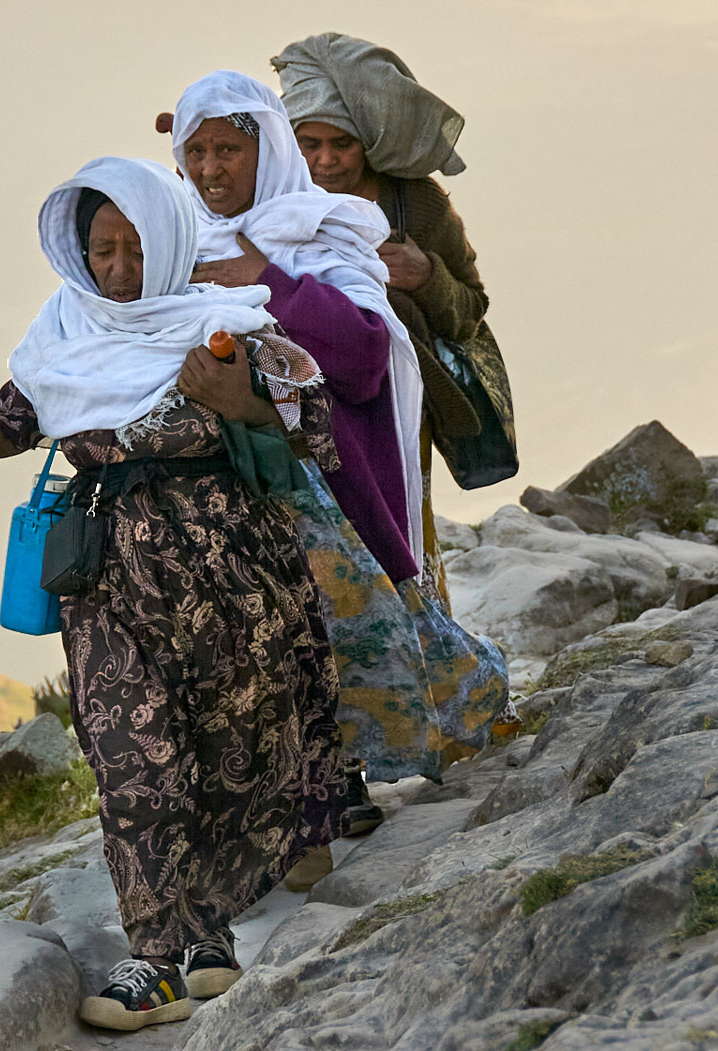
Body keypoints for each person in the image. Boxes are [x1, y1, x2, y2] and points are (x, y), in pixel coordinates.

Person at [0, 157, 347, 1032]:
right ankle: (153, 954)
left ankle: (209, 931)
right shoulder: (63, 335)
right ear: (79, 253)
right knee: (133, 762)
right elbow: (3, 428)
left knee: (233, 749)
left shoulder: (230, 329)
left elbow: (318, 424)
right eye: (103, 249)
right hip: (109, 578)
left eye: (136, 247)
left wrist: (242, 400)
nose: (121, 269)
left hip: (234, 573)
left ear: (168, 244)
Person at [166, 72, 509, 860]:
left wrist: (270, 281)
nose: (212, 168)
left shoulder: (326, 229)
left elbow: (359, 356)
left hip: (326, 476)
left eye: (229, 149)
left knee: (333, 624)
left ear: (267, 150)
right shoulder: (169, 237)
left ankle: (341, 774)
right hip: (220, 487)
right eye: (197, 150)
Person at [272, 32, 490, 612]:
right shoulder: (273, 201)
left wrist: (427, 276)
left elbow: (471, 307)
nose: (325, 160)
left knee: (397, 532)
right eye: (309, 143)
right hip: (296, 411)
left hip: (394, 409)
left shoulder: (416, 206)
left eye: (340, 143)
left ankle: (426, 646)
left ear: (367, 142)